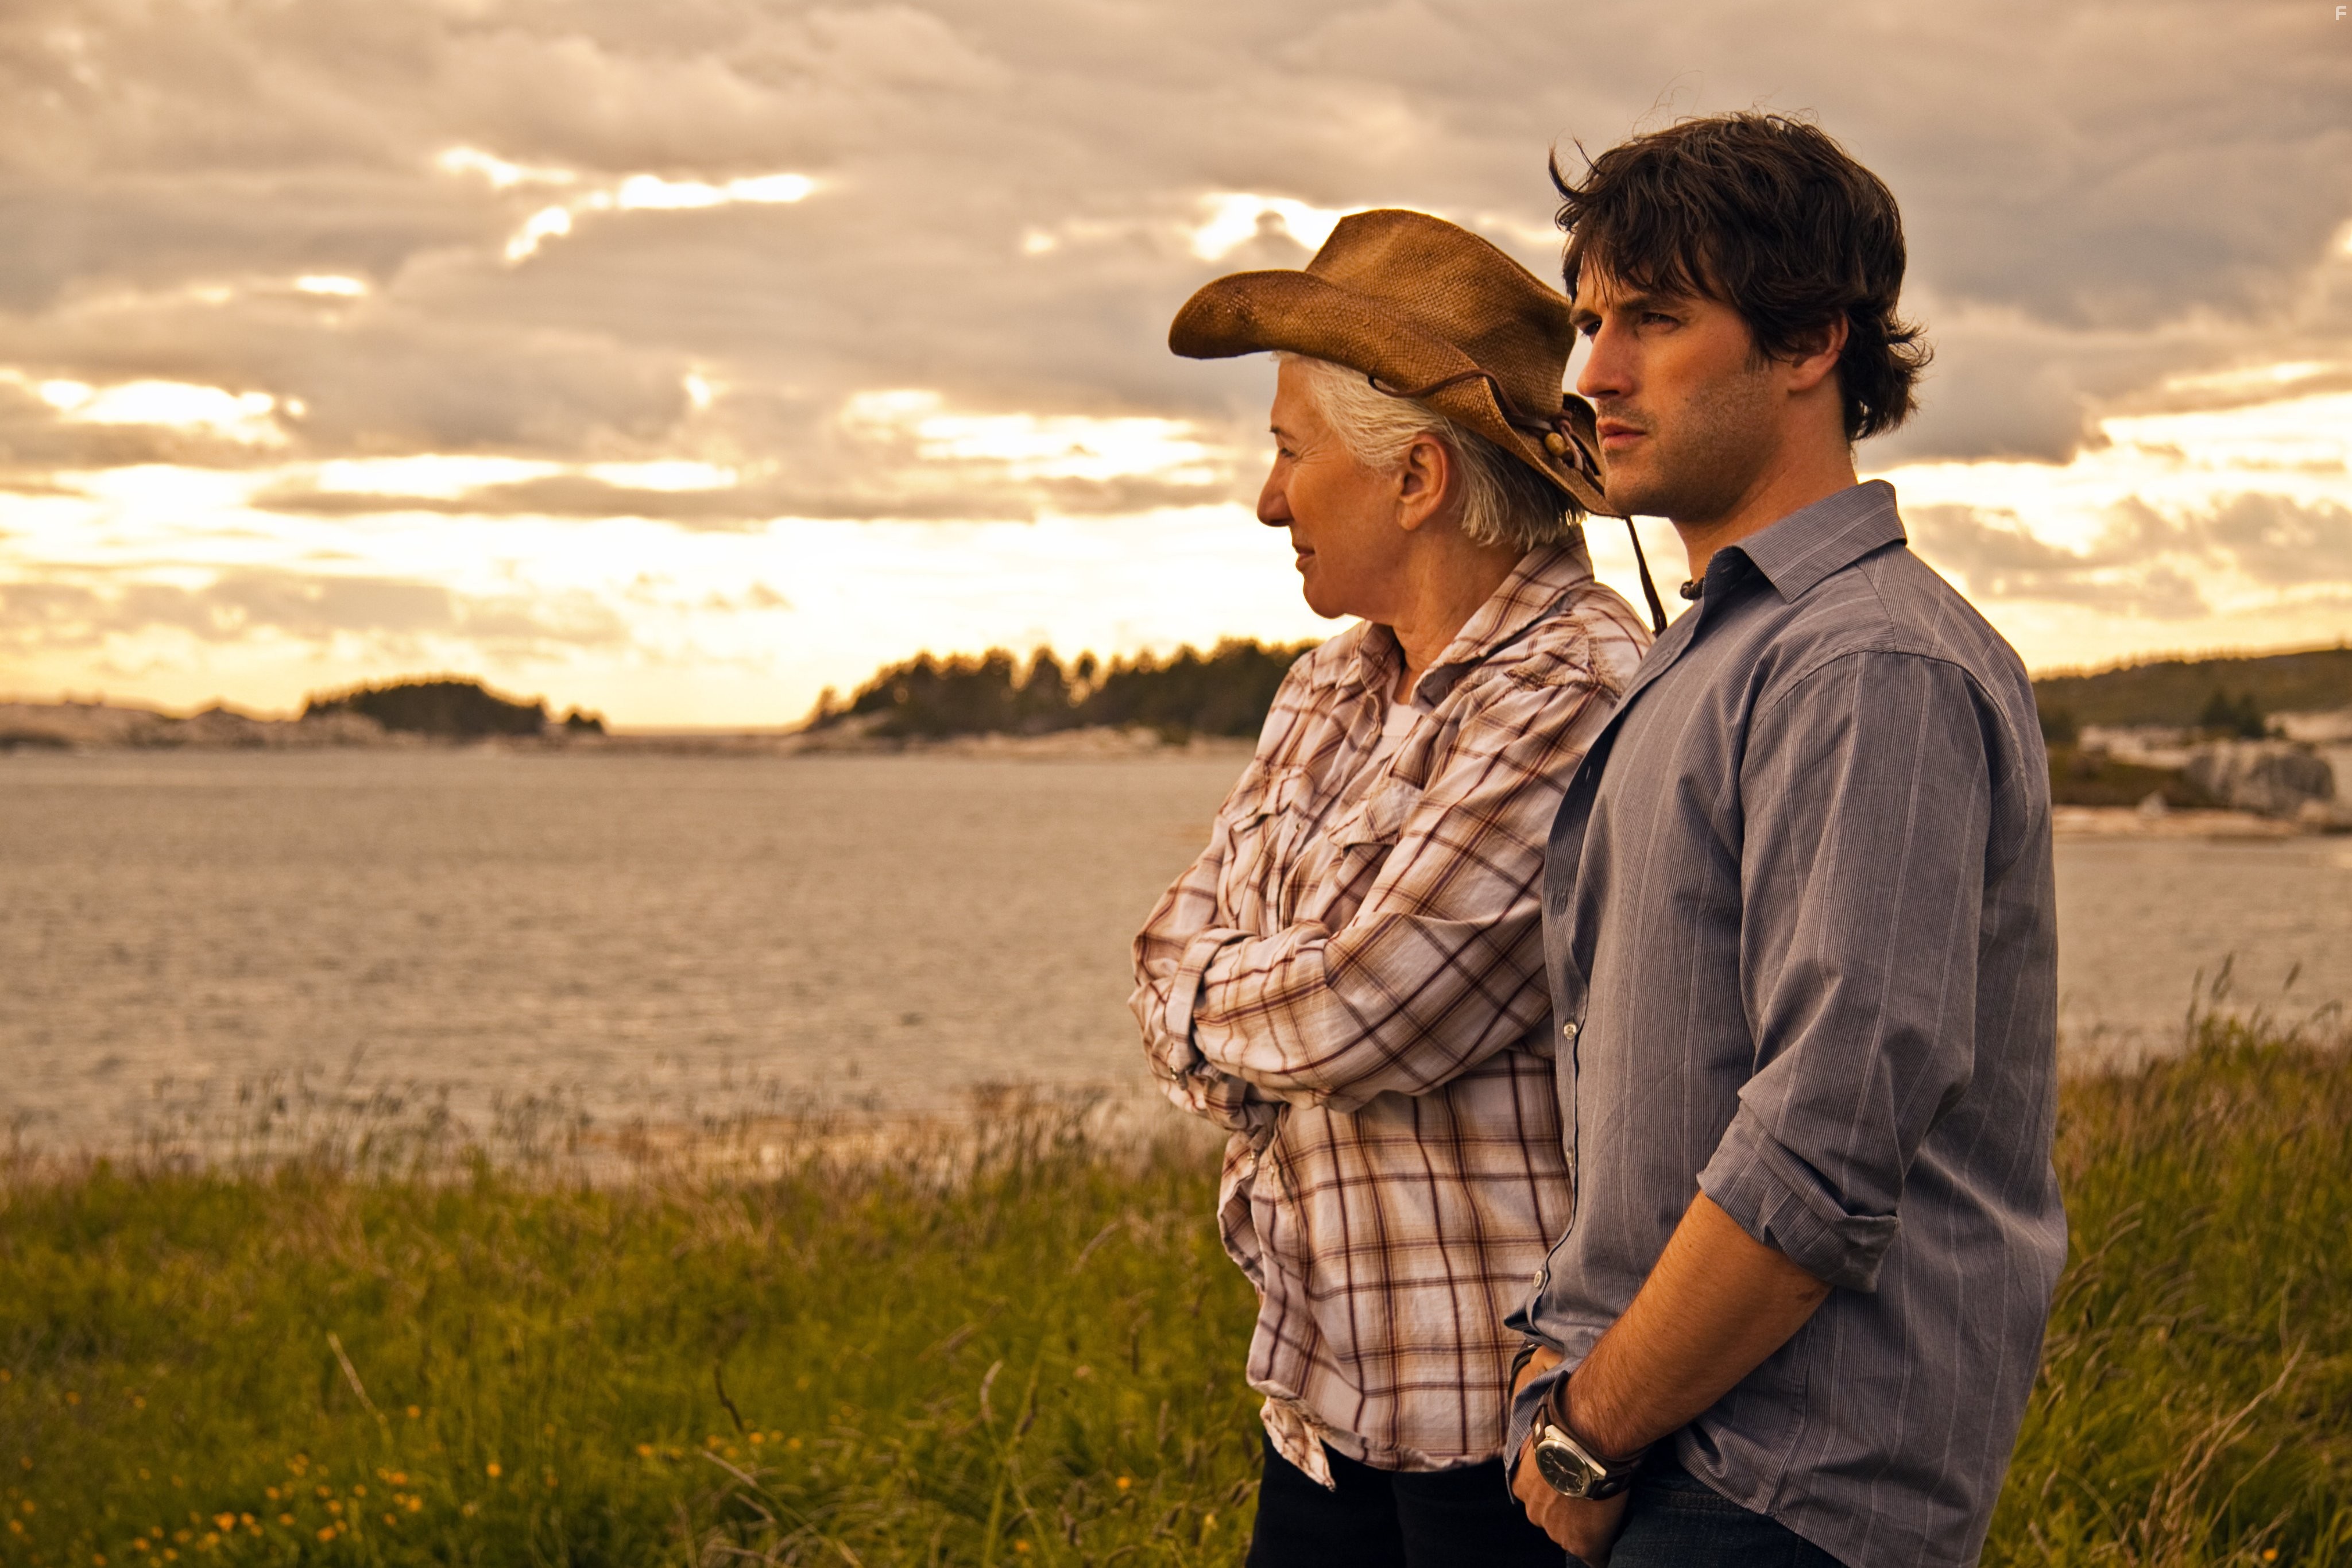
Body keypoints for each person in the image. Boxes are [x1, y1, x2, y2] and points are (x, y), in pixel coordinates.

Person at [1503, 114, 2066, 1568]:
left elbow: (1823, 1137)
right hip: (1680, 1450)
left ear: (1810, 339)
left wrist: (1589, 1425)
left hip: (1783, 1485)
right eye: (1583, 322)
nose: (1590, 374)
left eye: (1651, 321)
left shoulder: (1865, 664)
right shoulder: (1724, 646)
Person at [1131, 208, 1657, 1567]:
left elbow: (1363, 1008)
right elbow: (1171, 951)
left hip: (1508, 1441)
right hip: (1322, 1400)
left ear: (1416, 477)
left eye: (1287, 453)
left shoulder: (1580, 686)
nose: (1265, 498)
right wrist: (1254, 994)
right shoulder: (1332, 680)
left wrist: (1219, 1006)